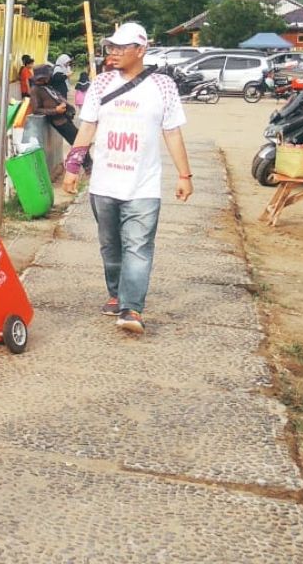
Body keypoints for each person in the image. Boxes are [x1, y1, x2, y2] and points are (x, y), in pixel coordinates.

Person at [60, 22, 193, 334]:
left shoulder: (163, 87)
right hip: (104, 183)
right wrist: (72, 166)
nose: (114, 53)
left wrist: (184, 175)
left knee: (138, 246)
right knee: (111, 245)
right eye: (111, 47)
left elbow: (172, 132)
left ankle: (131, 308)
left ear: (141, 50)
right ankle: (116, 292)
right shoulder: (101, 83)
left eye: (122, 47)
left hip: (144, 185)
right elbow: (88, 127)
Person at [29, 64, 81, 153]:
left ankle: (86, 161)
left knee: (79, 139)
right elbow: (36, 110)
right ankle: (87, 163)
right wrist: (55, 110)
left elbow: (57, 96)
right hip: (58, 120)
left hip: (64, 117)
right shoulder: (35, 89)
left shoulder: (46, 86)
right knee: (77, 142)